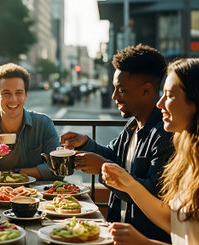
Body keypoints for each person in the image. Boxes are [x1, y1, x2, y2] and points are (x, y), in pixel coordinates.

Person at [60, 44, 172, 242]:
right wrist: (86, 143)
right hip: (117, 232)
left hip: (143, 238)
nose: (114, 96)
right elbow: (112, 155)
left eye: (121, 90)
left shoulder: (165, 134)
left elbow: (153, 194)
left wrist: (102, 168)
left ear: (146, 90)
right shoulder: (132, 126)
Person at [103, 58, 199, 245]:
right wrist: (128, 184)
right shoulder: (191, 161)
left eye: (169, 96)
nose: (160, 103)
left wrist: (144, 243)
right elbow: (176, 223)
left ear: (197, 102)